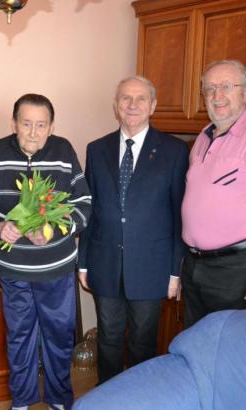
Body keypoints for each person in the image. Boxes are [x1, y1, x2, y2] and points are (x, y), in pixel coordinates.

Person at [0, 94, 92, 410]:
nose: (33, 132)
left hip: (56, 267)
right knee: (19, 335)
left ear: (51, 126)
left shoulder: (63, 152)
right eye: (26, 123)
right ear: (13, 124)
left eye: (41, 125)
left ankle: (59, 398)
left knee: (59, 334)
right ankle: (21, 401)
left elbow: (84, 203)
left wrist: (55, 230)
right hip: (13, 269)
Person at [78, 76, 189, 385]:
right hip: (104, 262)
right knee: (108, 338)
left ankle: (139, 402)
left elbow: (179, 215)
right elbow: (89, 208)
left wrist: (175, 271)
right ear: (116, 106)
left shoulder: (175, 151)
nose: (133, 104)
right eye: (126, 98)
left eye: (141, 98)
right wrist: (83, 262)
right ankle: (107, 401)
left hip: (152, 267)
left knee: (143, 341)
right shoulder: (96, 149)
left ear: (152, 106)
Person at [180, 59, 246, 327]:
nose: (217, 95)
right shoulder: (203, 136)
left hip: (234, 269)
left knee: (229, 343)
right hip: (194, 264)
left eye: (227, 86)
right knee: (196, 341)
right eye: (209, 88)